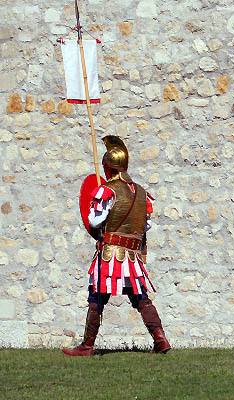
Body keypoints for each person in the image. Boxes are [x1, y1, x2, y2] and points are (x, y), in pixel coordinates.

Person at [62, 136, 170, 356]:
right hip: (132, 256)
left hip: (111, 253)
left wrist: (95, 205)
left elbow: (94, 221)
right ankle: (160, 339)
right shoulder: (141, 192)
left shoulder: (107, 190)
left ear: (108, 168)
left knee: (97, 297)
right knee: (140, 297)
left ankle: (87, 346)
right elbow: (146, 225)